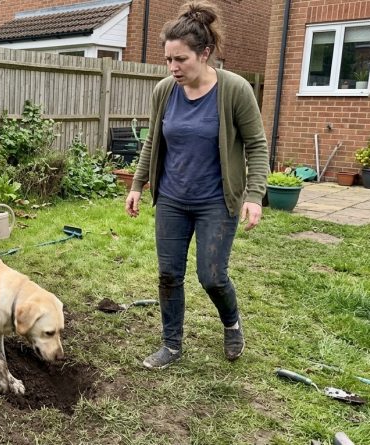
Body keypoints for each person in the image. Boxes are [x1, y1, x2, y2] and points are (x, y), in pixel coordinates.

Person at [124, 0, 269, 369]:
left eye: (181, 59)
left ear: (205, 54)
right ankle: (171, 345)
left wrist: (254, 195)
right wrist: (138, 185)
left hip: (216, 201)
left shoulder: (234, 90)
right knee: (169, 274)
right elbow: (152, 142)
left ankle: (232, 323)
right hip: (172, 198)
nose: (173, 67)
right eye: (168, 59)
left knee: (212, 275)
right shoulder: (164, 91)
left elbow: (256, 144)